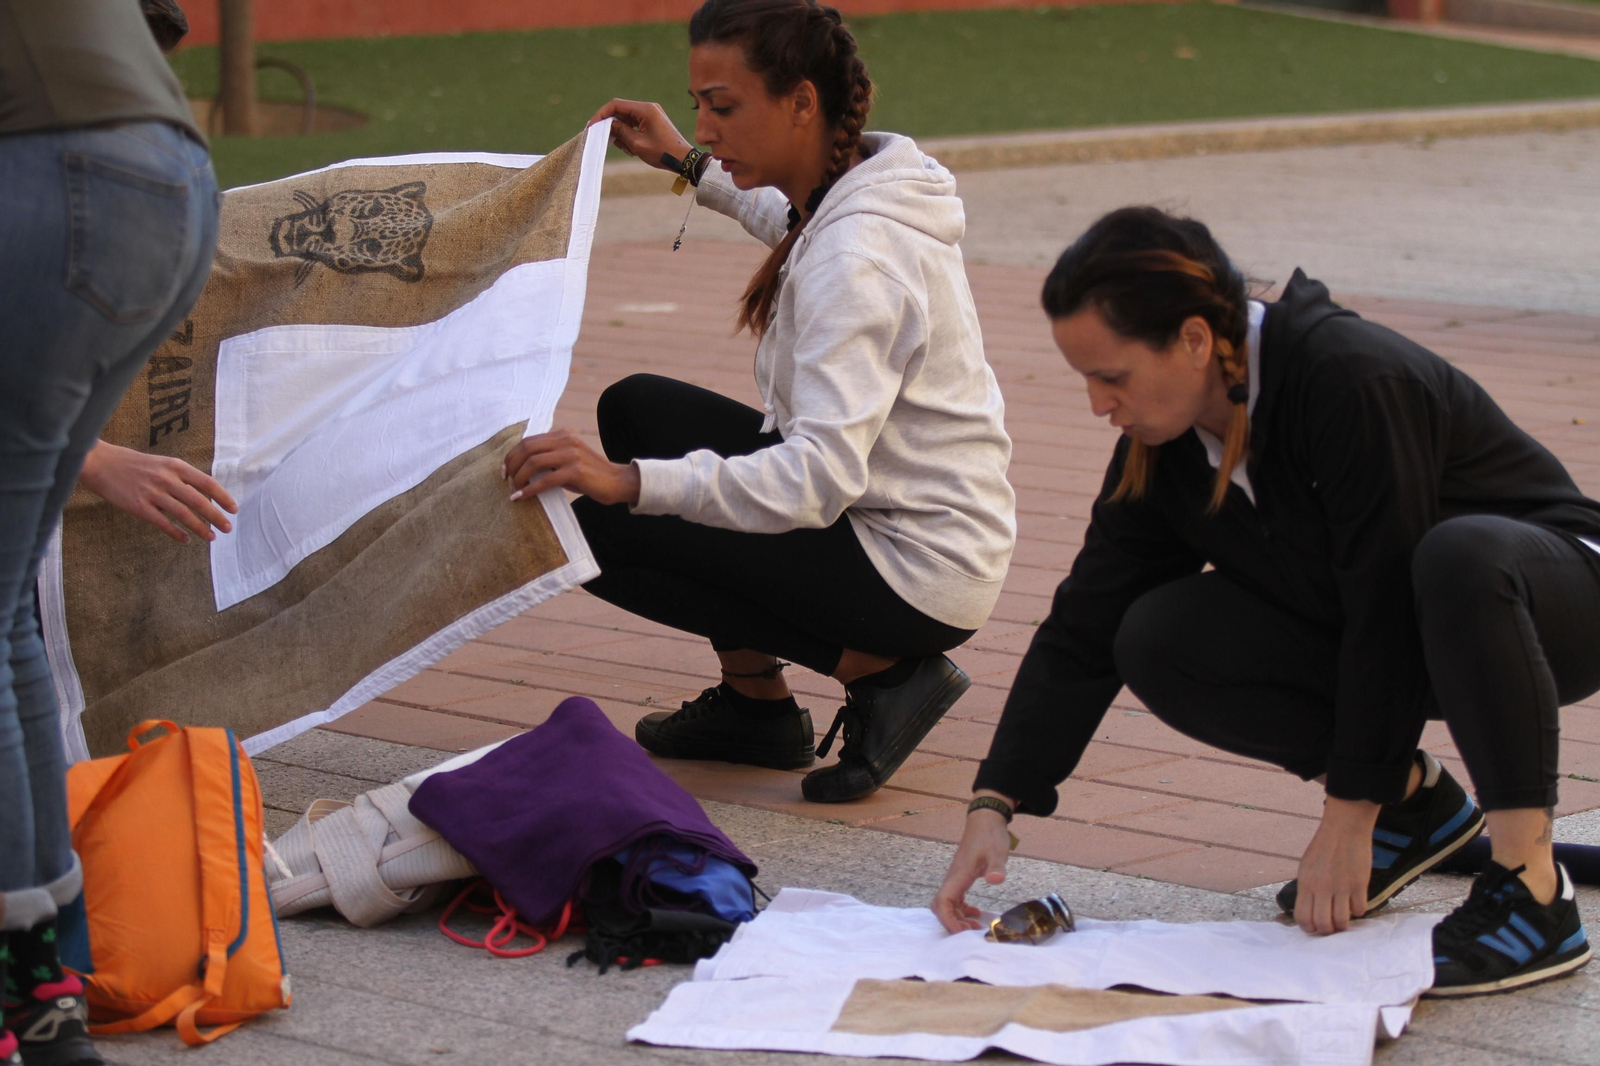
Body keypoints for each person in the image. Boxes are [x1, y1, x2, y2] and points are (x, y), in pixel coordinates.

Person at [933, 206, 1600, 997]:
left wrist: (1349, 811)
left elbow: (1385, 602)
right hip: (1412, 622)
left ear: (1192, 340)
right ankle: (1416, 811)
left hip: (1549, 601)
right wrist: (994, 802)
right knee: (1156, 634)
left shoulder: (1348, 377)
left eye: (1112, 377)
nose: (1097, 405)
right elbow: (1086, 623)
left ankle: (1532, 889)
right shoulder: (1167, 443)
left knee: (1455, 555)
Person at [502, 0, 1016, 803]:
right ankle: (755, 709)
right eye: (700, 104)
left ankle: (883, 672)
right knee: (640, 407)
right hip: (895, 524)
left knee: (583, 521)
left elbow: (815, 481)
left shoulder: (858, 257)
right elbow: (790, 220)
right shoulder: (850, 191)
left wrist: (630, 483)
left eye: (724, 106)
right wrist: (684, 164)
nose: (704, 126)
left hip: (916, 570)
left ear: (802, 101)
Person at [0, 1, 220, 1063]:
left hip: (53, 183)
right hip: (167, 180)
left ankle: (27, 994)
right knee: (5, 623)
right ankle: (48, 990)